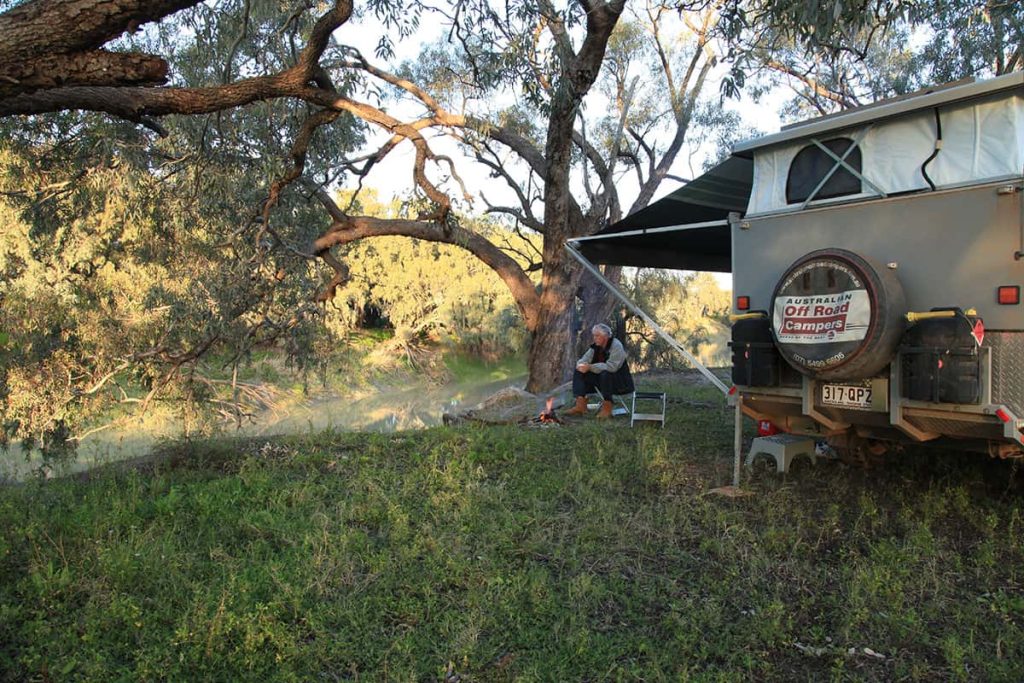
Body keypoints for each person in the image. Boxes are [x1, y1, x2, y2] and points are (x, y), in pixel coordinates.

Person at [565, 323, 635, 419]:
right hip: (601, 381)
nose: (594, 338)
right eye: (594, 335)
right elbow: (584, 359)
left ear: (605, 336)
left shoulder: (616, 346)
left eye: (597, 335)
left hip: (619, 383)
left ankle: (607, 407)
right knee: (579, 371)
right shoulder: (596, 347)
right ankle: (580, 405)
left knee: (605, 373)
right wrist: (581, 365)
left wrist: (590, 367)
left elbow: (612, 367)